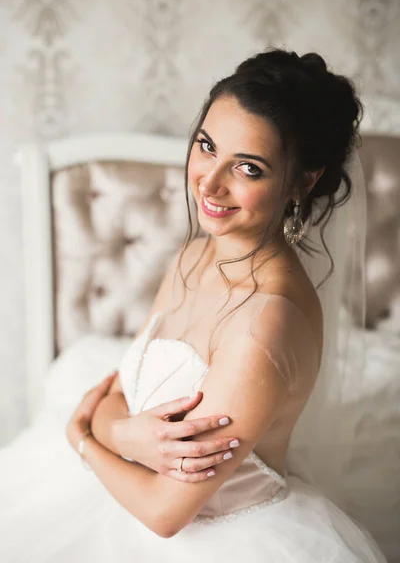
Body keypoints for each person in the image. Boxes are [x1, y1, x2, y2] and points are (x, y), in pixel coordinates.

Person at [0, 48, 388, 562]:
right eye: (207, 146)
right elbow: (118, 388)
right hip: (124, 489)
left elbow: (166, 512)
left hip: (213, 536)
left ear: (303, 181)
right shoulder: (194, 256)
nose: (209, 182)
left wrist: (86, 439)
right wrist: (127, 435)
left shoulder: (265, 323)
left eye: (247, 167)